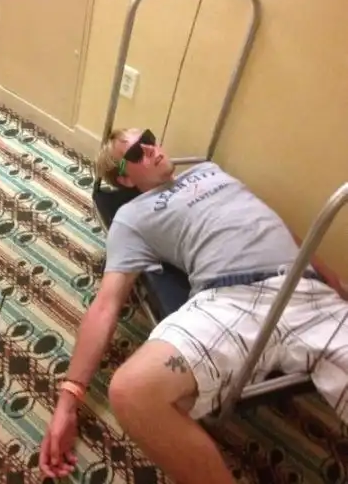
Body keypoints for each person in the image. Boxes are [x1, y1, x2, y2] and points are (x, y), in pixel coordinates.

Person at [39, 127, 348, 484]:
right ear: (124, 178)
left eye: (149, 138)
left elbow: (277, 226)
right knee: (132, 392)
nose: (151, 149)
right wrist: (68, 401)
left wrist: (335, 284)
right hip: (229, 301)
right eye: (137, 152)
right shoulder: (131, 216)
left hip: (306, 291)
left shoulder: (210, 170)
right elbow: (106, 305)